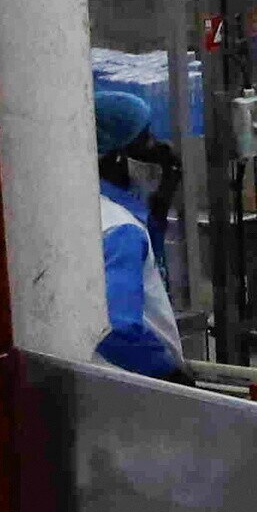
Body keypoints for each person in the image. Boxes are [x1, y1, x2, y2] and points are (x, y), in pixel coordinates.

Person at [90, 84, 186, 382]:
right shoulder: (122, 231)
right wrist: (172, 377)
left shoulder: (95, 209)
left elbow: (144, 273)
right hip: (135, 385)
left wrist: (158, 207)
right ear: (115, 155)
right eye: (145, 140)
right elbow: (116, 327)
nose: (160, 149)